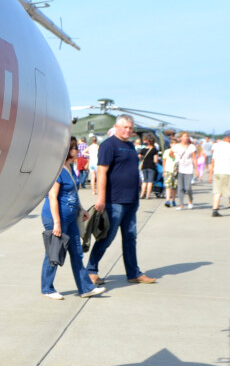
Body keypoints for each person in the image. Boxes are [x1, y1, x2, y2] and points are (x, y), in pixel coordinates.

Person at [88, 115, 156, 285]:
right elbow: (102, 172)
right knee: (107, 238)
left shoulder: (130, 146)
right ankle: (90, 270)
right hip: (114, 201)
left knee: (130, 237)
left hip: (131, 201)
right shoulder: (108, 145)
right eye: (125, 127)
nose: (128, 130)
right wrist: (101, 198)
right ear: (116, 127)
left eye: (130, 128)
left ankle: (133, 273)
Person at [40, 146, 107, 300]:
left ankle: (85, 288)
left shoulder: (70, 167)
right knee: (54, 252)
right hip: (57, 218)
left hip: (70, 219)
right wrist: (57, 223)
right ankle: (47, 288)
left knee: (77, 253)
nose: (78, 150)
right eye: (75, 148)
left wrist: (81, 209)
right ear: (67, 151)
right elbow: (52, 197)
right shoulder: (57, 170)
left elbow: (72, 193)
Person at [172, 132, 196, 209]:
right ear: (181, 138)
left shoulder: (191, 147)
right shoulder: (176, 146)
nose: (186, 138)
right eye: (184, 136)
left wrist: (197, 169)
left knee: (188, 187)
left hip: (189, 168)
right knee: (180, 187)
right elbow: (170, 153)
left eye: (187, 136)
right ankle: (181, 204)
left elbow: (194, 158)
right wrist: (176, 158)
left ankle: (190, 200)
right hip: (179, 168)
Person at [138, 134, 158, 200]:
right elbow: (156, 160)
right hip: (151, 166)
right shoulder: (154, 150)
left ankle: (142, 194)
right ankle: (147, 195)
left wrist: (142, 160)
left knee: (144, 181)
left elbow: (139, 157)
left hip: (144, 166)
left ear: (148, 142)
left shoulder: (143, 149)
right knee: (150, 181)